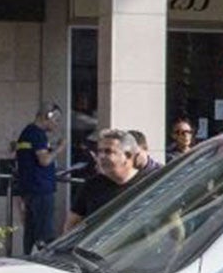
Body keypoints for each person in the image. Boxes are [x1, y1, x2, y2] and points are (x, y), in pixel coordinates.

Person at [12, 103, 62, 255]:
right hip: (40, 190)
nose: (57, 124)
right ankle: (44, 262)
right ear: (49, 116)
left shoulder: (27, 132)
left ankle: (29, 258)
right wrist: (60, 148)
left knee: (31, 232)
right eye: (56, 120)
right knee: (44, 233)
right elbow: (44, 160)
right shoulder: (37, 134)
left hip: (29, 189)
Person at [67, 129, 139, 230]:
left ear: (127, 155)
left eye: (108, 151)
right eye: (99, 151)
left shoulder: (149, 182)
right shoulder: (91, 186)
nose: (101, 157)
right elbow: (71, 224)